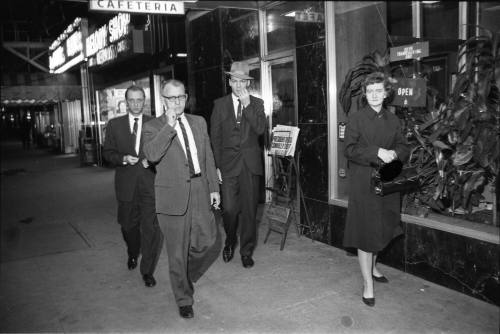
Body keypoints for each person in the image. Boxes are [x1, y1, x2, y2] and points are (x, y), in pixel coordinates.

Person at [142, 79, 221, 319]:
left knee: (209, 242)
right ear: (163, 100)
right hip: (172, 195)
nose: (176, 102)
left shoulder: (199, 122)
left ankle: (186, 276)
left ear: (186, 98)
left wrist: (213, 188)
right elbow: (152, 155)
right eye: (170, 98)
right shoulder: (153, 126)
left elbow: (207, 156)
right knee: (177, 252)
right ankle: (184, 298)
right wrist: (169, 125)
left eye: (180, 97)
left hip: (199, 187)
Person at [343, 72, 410, 307]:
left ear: (385, 93)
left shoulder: (393, 120)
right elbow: (349, 150)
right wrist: (377, 152)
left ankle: (373, 266)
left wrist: (395, 154)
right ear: (365, 94)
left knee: (382, 229)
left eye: (378, 91)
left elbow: (403, 146)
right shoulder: (356, 118)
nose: (374, 95)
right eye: (370, 91)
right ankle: (367, 283)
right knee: (366, 232)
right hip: (364, 183)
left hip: (387, 183)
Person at [103, 85, 164, 288]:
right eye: (132, 100)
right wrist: (122, 158)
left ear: (144, 100)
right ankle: (132, 251)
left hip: (150, 184)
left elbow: (163, 151)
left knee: (151, 229)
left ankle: (147, 271)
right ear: (126, 102)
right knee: (128, 226)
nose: (136, 104)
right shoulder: (114, 125)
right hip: (126, 184)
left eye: (140, 100)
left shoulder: (155, 123)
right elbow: (107, 153)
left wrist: (153, 161)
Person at [210, 61, 266, 268]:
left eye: (242, 81)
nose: (238, 85)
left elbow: (260, 129)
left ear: (248, 83)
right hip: (227, 166)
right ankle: (230, 240)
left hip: (250, 166)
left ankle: (246, 251)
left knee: (250, 211)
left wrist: (247, 105)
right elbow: (214, 138)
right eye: (235, 81)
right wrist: (215, 166)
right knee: (230, 210)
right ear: (229, 82)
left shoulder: (257, 104)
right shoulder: (219, 104)